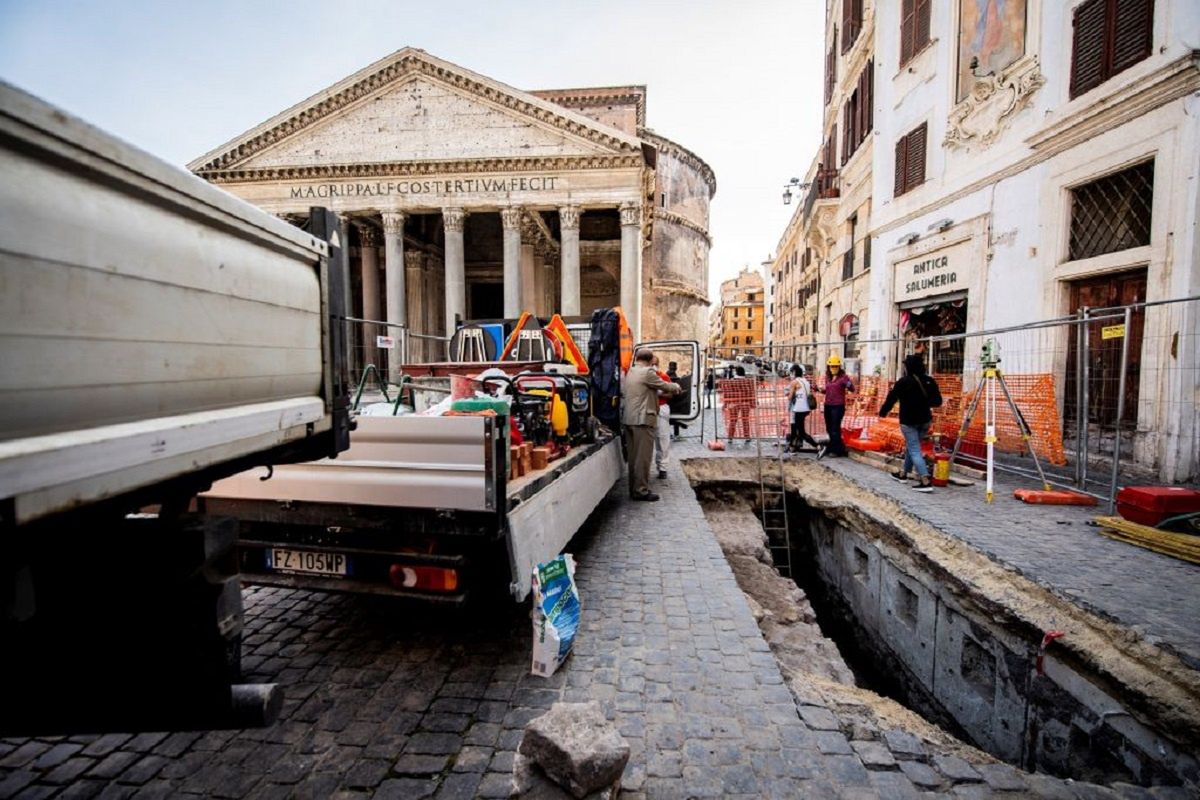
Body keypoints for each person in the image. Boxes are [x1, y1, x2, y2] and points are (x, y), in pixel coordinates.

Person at [879, 353, 943, 493]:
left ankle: (925, 480)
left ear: (908, 367)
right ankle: (903, 475)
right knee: (912, 446)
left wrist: (883, 412)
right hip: (925, 420)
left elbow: (891, 398)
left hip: (909, 421)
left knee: (914, 449)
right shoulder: (929, 381)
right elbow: (938, 402)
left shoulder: (903, 382)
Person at [622, 349, 681, 501]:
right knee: (643, 458)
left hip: (629, 419)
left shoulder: (631, 371)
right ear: (649, 361)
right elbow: (665, 386)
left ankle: (633, 489)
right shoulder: (647, 372)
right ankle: (641, 491)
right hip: (643, 420)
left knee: (634, 458)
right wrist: (677, 387)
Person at [819, 354, 854, 459]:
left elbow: (852, 388)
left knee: (835, 428)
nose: (833, 368)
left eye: (835, 366)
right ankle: (836, 446)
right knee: (829, 428)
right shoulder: (828, 378)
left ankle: (836, 450)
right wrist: (820, 389)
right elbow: (828, 390)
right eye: (832, 366)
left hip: (838, 406)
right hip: (828, 405)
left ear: (839, 367)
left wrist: (848, 384)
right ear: (828, 367)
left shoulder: (844, 377)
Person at [786, 364, 819, 453]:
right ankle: (793, 446)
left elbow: (790, 397)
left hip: (799, 409)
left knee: (800, 431)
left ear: (794, 372)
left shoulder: (794, 382)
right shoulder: (805, 381)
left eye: (791, 372)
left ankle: (817, 445)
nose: (790, 375)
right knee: (798, 428)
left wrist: (788, 394)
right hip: (806, 408)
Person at [652, 355, 672, 480]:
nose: (653, 366)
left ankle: (663, 468)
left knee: (662, 440)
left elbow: (671, 394)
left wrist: (660, 393)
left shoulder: (663, 377)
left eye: (655, 363)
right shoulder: (643, 377)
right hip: (646, 410)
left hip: (661, 408)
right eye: (651, 363)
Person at [725, 365, 755, 444]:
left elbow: (728, 393)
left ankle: (730, 437)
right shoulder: (748, 381)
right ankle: (747, 436)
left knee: (733, 420)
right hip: (745, 403)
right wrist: (753, 403)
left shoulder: (732, 381)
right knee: (745, 420)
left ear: (736, 372)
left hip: (734, 403)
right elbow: (751, 392)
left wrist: (726, 403)